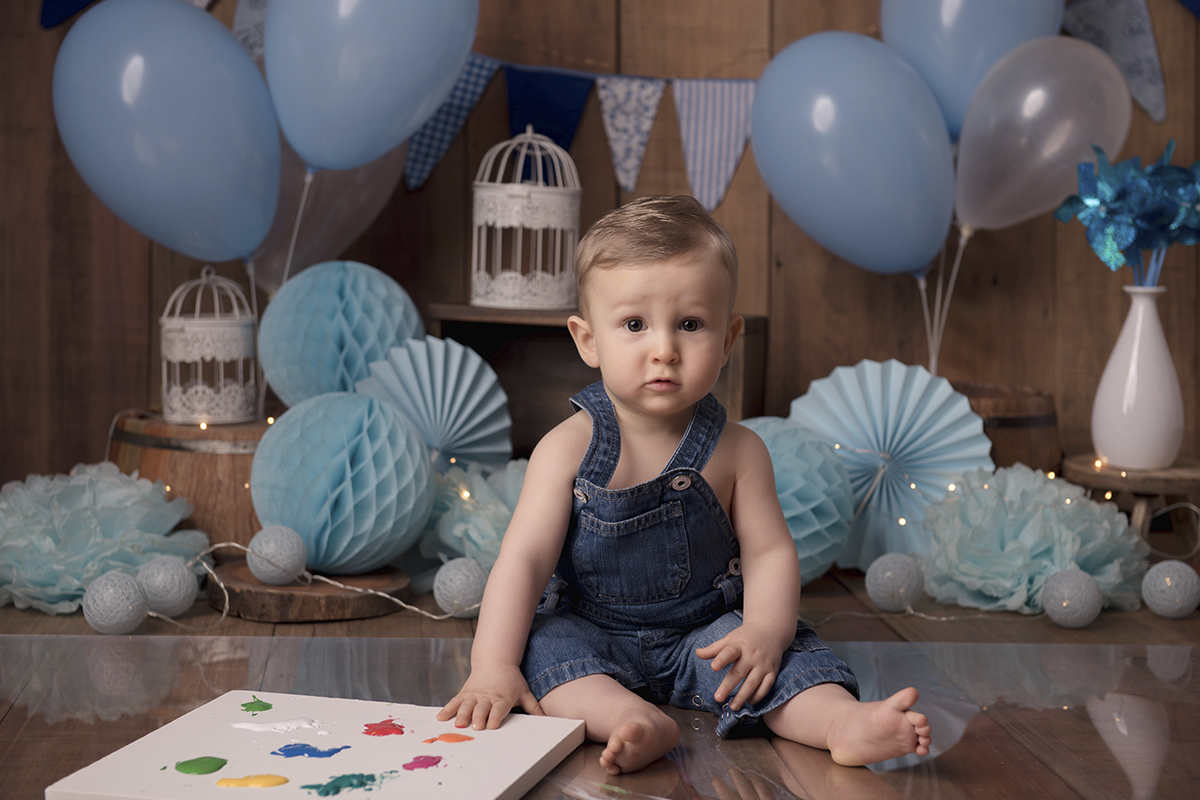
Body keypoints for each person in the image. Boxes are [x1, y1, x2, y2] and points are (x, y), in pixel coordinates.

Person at [438, 195, 932, 775]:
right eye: (634, 325)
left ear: (728, 339)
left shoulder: (739, 451)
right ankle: (629, 718)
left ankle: (840, 723)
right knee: (546, 650)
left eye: (690, 325)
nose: (664, 350)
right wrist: (492, 666)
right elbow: (523, 560)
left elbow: (770, 552)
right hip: (593, 630)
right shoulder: (565, 449)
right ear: (588, 339)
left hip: (705, 632)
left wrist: (764, 630)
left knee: (773, 661)